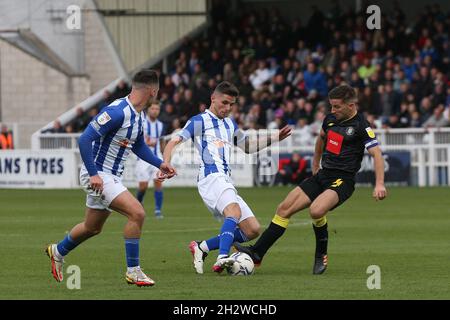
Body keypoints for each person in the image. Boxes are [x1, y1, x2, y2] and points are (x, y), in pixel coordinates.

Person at [234, 84, 387, 274]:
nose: (333, 110)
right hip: (323, 174)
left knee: (316, 210)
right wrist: (315, 165)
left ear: (351, 105)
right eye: (331, 106)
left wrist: (379, 183)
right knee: (284, 208)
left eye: (337, 106)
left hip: (343, 180)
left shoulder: (361, 126)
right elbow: (321, 139)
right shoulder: (330, 120)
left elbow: (377, 154)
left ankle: (320, 256)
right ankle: (257, 253)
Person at [45, 69, 176, 287]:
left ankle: (57, 251)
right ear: (153, 91)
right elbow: (85, 139)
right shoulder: (117, 111)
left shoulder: (139, 115)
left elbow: (139, 146)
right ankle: (133, 271)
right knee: (137, 213)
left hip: (109, 176)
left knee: (92, 227)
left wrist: (160, 163)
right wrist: (94, 174)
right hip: (97, 174)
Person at [163, 81, 291, 274]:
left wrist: (275, 138)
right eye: (224, 103)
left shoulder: (230, 123)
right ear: (213, 99)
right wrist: (166, 162)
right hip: (211, 176)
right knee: (233, 212)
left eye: (232, 104)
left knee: (252, 229)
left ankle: (202, 247)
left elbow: (247, 146)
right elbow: (173, 141)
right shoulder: (199, 120)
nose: (228, 108)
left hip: (225, 178)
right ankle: (222, 257)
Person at [135, 101, 166, 218]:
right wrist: (147, 141)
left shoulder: (161, 125)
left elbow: (161, 141)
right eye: (153, 109)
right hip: (143, 158)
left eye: (157, 109)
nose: (155, 111)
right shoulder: (142, 122)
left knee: (158, 182)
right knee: (143, 186)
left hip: (157, 157)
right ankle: (138, 203)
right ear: (148, 110)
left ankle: (158, 210)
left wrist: (165, 158)